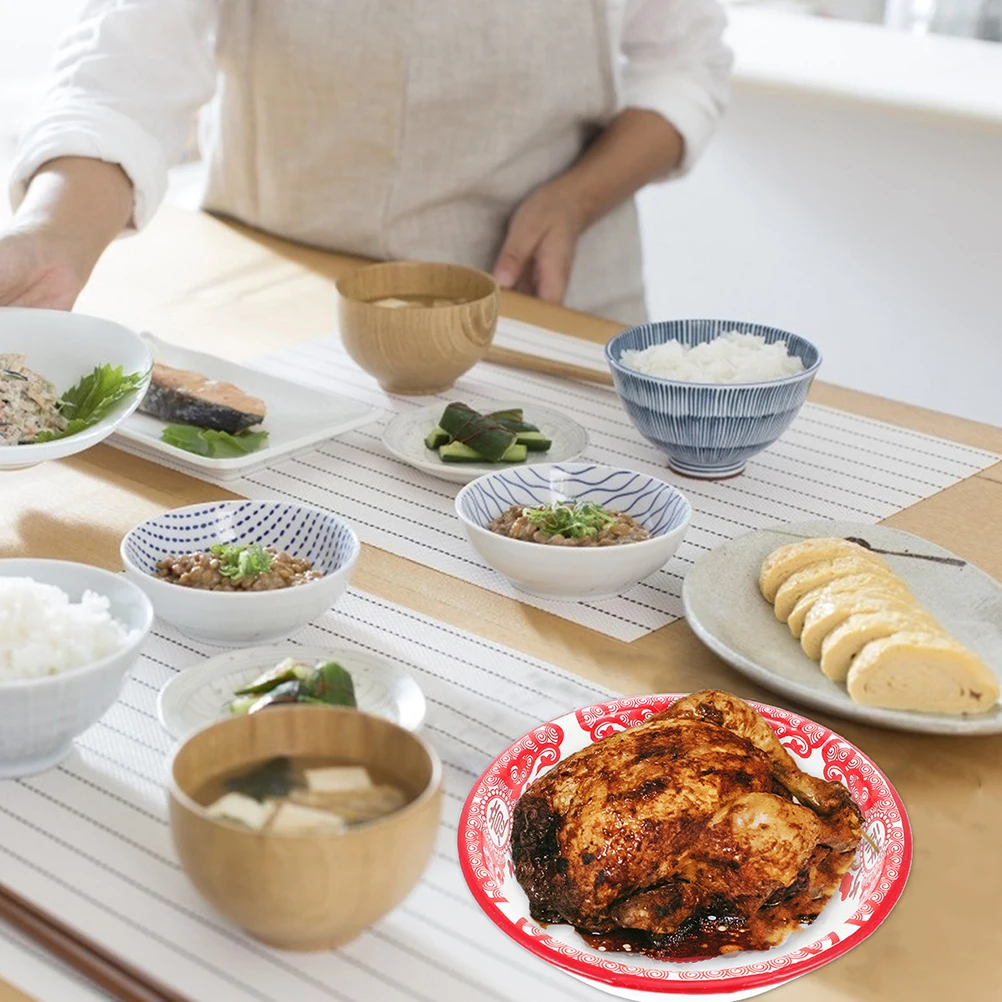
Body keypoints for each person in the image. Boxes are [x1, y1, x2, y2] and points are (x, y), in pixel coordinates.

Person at [0, 0, 732, 324]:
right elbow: (123, 74)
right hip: (278, 311)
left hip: (541, 310)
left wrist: (577, 197)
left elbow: (685, 66)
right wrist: (51, 240)